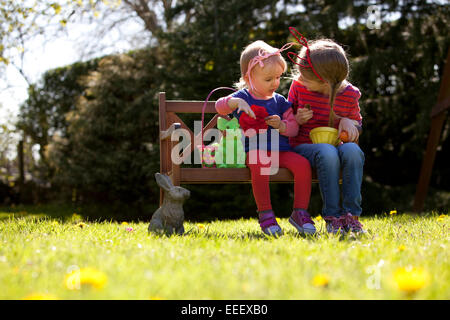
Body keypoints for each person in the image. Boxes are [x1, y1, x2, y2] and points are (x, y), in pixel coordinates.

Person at [214, 40, 315, 236]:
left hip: (281, 151)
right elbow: (219, 105)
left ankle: (300, 212)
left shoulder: (280, 101)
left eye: (278, 77)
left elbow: (293, 130)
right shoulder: (242, 97)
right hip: (253, 151)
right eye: (268, 79)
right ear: (248, 77)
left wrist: (282, 126)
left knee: (302, 164)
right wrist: (235, 102)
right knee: (259, 162)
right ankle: (266, 214)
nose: (275, 83)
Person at [287, 31, 366, 234]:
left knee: (352, 152)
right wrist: (296, 119)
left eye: (305, 77)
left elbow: (358, 125)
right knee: (327, 151)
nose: (299, 79)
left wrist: (351, 124)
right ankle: (333, 218)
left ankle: (352, 216)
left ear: (325, 82)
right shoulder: (298, 87)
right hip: (302, 146)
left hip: (333, 146)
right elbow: (285, 119)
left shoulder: (349, 94)